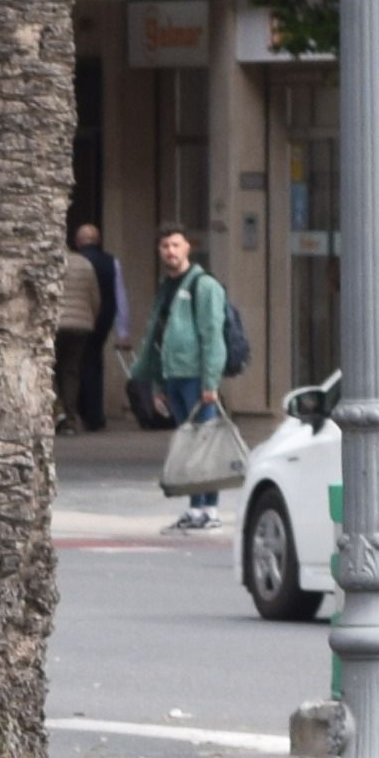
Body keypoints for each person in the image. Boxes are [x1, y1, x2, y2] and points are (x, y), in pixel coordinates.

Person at [136, 226, 242, 531]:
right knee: (190, 444)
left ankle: (209, 509)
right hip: (174, 375)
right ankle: (196, 509)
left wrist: (210, 382)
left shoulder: (204, 286)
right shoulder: (166, 286)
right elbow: (158, 335)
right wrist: (158, 384)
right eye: (165, 245)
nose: (171, 251)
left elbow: (212, 335)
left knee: (205, 444)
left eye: (176, 245)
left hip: (197, 377)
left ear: (187, 248)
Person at [54, 216, 120, 435]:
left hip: (56, 324)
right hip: (82, 326)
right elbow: (95, 297)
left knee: (50, 370)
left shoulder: (50, 263)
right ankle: (72, 417)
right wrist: (91, 318)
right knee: (71, 370)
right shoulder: (84, 264)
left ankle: (58, 411)